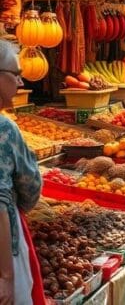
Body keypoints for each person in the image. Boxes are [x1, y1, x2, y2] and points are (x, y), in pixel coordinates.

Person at [0, 40, 42, 305]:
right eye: (15, 74)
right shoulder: (4, 129)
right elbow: (4, 202)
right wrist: (5, 276)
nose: (20, 83)